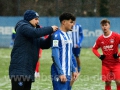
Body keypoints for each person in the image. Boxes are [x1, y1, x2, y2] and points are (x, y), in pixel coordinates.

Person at [9, 10, 58, 90]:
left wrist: (51, 36)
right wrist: (50, 28)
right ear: (29, 19)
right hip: (19, 71)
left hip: (28, 70)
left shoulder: (33, 32)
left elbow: (44, 45)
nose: (38, 21)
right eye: (36, 19)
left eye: (38, 19)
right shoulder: (23, 26)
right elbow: (35, 33)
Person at [51, 12, 78, 90]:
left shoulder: (68, 36)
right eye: (71, 22)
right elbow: (54, 55)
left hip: (67, 72)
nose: (73, 24)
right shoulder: (56, 35)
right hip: (59, 72)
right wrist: (60, 73)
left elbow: (69, 54)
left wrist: (73, 69)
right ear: (64, 22)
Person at [92, 18, 120, 90]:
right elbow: (94, 49)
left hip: (116, 64)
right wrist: (99, 56)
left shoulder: (116, 36)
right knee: (107, 82)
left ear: (109, 26)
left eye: (106, 25)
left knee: (118, 82)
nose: (104, 27)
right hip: (106, 65)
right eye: (103, 25)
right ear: (101, 27)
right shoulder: (100, 39)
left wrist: (118, 55)